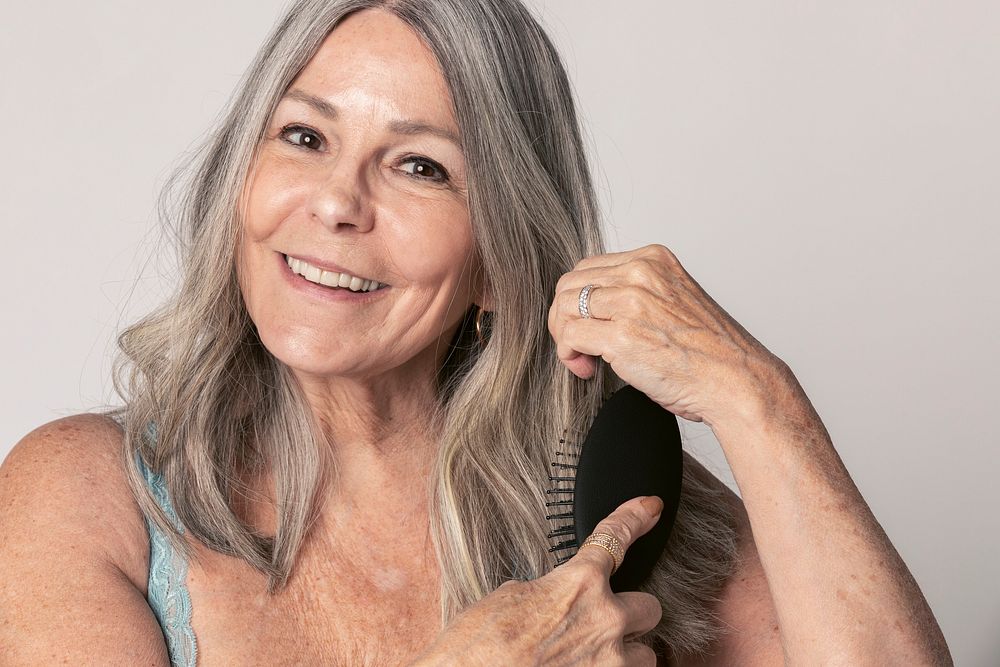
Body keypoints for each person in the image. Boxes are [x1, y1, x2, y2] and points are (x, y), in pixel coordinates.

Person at [0, 1, 951, 665]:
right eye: (303, 136)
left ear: (501, 257)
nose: (336, 201)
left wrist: (760, 397)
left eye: (419, 166)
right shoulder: (87, 496)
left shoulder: (618, 516)